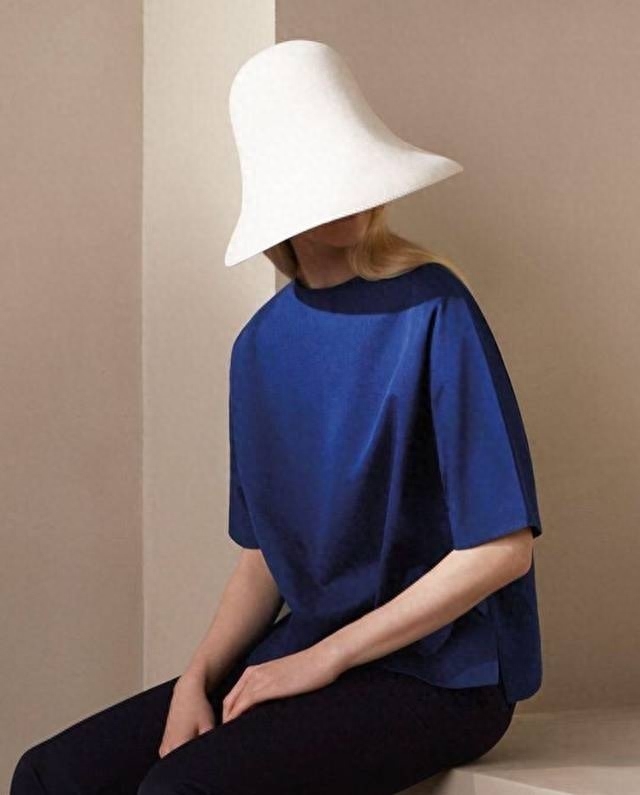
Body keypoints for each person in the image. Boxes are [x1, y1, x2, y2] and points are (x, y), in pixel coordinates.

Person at [11, 40, 543, 795]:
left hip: (444, 674)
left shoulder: (435, 309)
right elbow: (265, 556)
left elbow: (501, 549)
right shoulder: (258, 349)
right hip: (307, 651)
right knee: (48, 775)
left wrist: (324, 657)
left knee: (180, 790)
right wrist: (197, 676)